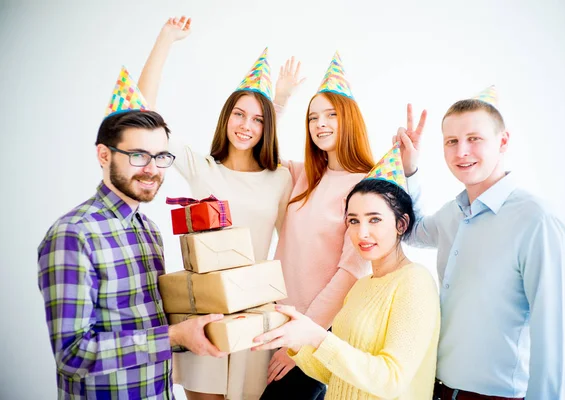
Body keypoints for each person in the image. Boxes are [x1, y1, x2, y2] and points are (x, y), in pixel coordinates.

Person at [37, 68, 225, 400]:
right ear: (103, 155)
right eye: (138, 155)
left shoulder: (148, 229)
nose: (152, 169)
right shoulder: (73, 235)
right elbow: (72, 355)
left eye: (161, 157)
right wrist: (174, 335)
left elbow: (148, 324)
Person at [138, 17, 298, 400]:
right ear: (226, 117)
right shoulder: (200, 167)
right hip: (204, 310)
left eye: (258, 119)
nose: (246, 125)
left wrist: (281, 102)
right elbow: (143, 111)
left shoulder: (282, 177)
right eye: (239, 114)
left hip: (255, 313)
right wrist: (165, 40)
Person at [394, 87, 565, 399]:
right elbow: (410, 231)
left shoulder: (538, 221)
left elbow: (554, 340)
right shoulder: (453, 212)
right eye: (451, 141)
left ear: (503, 141)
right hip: (436, 389)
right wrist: (410, 168)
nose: (461, 151)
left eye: (474, 138)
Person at [253, 143, 441, 400]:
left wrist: (318, 337)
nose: (361, 233)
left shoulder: (415, 282)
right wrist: (298, 341)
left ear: (401, 223)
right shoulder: (361, 286)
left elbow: (392, 380)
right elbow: (333, 374)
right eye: (354, 221)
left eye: (374, 219)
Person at [260, 52, 375, 400]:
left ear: (349, 120)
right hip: (272, 321)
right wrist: (279, 102)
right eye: (313, 117)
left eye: (331, 115)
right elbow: (257, 153)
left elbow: (350, 273)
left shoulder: (366, 186)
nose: (320, 124)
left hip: (312, 335)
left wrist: (300, 341)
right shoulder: (303, 174)